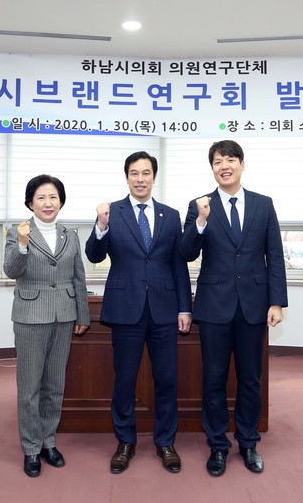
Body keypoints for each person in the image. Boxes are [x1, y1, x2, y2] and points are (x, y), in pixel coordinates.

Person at [179, 140, 288, 477]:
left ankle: (248, 442)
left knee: (250, 379)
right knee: (213, 378)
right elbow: (186, 253)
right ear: (212, 168)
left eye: (230, 159)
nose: (224, 166)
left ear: (242, 164)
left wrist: (276, 301)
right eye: (217, 161)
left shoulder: (263, 204)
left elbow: (274, 254)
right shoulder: (199, 205)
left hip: (254, 305)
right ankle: (217, 445)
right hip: (214, 306)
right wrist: (200, 222)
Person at [85, 151, 192, 474]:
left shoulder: (170, 215)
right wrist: (101, 226)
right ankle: (125, 442)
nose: (140, 179)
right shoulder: (111, 213)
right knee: (124, 380)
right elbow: (94, 255)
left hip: (164, 310)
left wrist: (185, 307)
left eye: (146, 173)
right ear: (127, 177)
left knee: (167, 379)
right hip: (125, 309)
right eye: (134, 173)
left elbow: (178, 264)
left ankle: (165, 442)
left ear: (154, 177)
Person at [4, 174, 90, 478]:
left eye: (53, 196)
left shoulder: (70, 235)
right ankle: (31, 447)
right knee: (30, 387)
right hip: (30, 315)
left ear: (61, 201)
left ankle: (48, 442)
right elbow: (11, 270)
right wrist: (23, 244)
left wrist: (82, 315)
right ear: (30, 203)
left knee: (55, 385)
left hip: (64, 315)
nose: (48, 203)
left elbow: (78, 276)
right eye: (41, 197)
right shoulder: (18, 232)